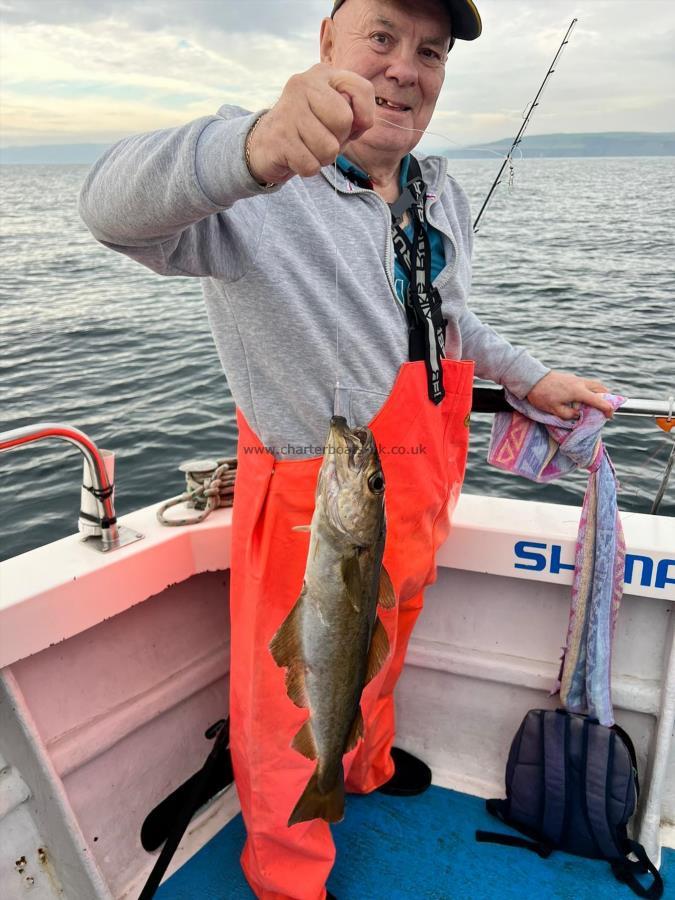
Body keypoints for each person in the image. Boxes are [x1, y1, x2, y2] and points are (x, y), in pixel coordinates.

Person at [79, 1, 613, 896]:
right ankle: (289, 873)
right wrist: (250, 145)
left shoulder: (432, 189)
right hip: (314, 491)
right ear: (326, 43)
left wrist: (528, 375)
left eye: (429, 51)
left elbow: (444, 314)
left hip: (419, 480)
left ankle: (358, 766)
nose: (406, 67)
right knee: (293, 687)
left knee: (383, 644)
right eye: (382, 38)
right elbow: (109, 210)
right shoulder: (259, 185)